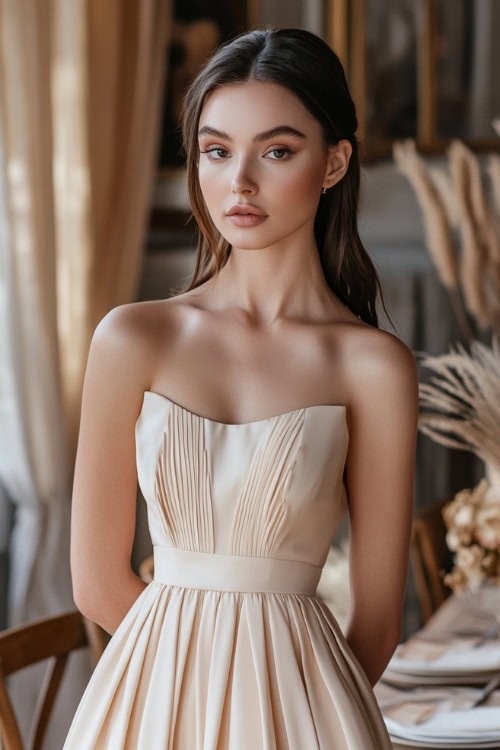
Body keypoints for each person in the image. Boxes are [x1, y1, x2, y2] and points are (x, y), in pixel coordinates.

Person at [64, 26, 418, 749]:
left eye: (277, 151)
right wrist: (188, 706)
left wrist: (289, 718)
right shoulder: (132, 339)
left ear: (334, 162)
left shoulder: (373, 367)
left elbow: (379, 623)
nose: (240, 183)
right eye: (217, 150)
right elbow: (98, 582)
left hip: (305, 722)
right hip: (150, 716)